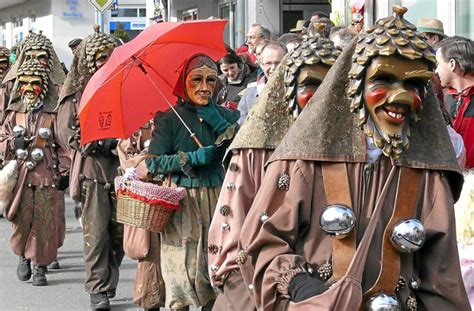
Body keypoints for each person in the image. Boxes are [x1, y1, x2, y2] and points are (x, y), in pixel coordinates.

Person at [239, 6, 470, 310]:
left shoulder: (426, 173)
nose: (400, 96)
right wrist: (299, 285)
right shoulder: (304, 159)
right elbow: (261, 241)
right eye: (384, 80)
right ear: (356, 85)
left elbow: (442, 277)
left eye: (413, 85)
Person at [208, 28, 340, 311]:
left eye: (332, 86)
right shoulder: (258, 142)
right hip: (253, 269)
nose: (322, 98)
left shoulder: (345, 148)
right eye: (311, 86)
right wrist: (232, 273)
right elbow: (234, 210)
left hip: (318, 285)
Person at [145, 54, 240, 311]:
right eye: (196, 80)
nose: (204, 87)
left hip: (221, 197)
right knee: (182, 265)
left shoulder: (226, 116)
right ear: (184, 83)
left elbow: (241, 148)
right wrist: (191, 157)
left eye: (211, 80)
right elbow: (152, 162)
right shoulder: (170, 118)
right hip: (183, 200)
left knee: (217, 261)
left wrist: (217, 120)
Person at [57, 27, 122, 310]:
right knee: (96, 235)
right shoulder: (76, 95)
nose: (102, 63)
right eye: (97, 58)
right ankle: (98, 289)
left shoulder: (122, 87)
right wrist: (95, 141)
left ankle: (108, 281)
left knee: (120, 235)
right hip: (92, 172)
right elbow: (68, 132)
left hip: (123, 172)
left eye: (107, 57)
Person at [0, 59, 70, 286]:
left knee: (44, 223)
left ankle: (40, 265)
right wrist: (13, 142)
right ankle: (23, 255)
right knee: (21, 221)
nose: (30, 88)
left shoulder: (53, 114)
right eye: (25, 83)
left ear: (44, 85)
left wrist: (65, 173)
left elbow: (63, 145)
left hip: (46, 177)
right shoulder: (14, 114)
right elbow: (2, 139)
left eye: (35, 83)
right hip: (20, 177)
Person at [116, 122, 166, 311]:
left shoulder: (175, 120)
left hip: (176, 191)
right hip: (148, 198)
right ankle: (150, 301)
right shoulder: (135, 127)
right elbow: (127, 161)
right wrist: (151, 161)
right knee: (150, 252)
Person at [435, 36, 474, 169]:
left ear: (452, 64)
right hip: (449, 181)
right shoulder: (441, 99)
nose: (435, 71)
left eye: (438, 64)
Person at [237, 42, 287, 125]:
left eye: (279, 63)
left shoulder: (296, 89)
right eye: (268, 63)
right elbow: (240, 125)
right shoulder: (250, 94)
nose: (273, 68)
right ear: (261, 64)